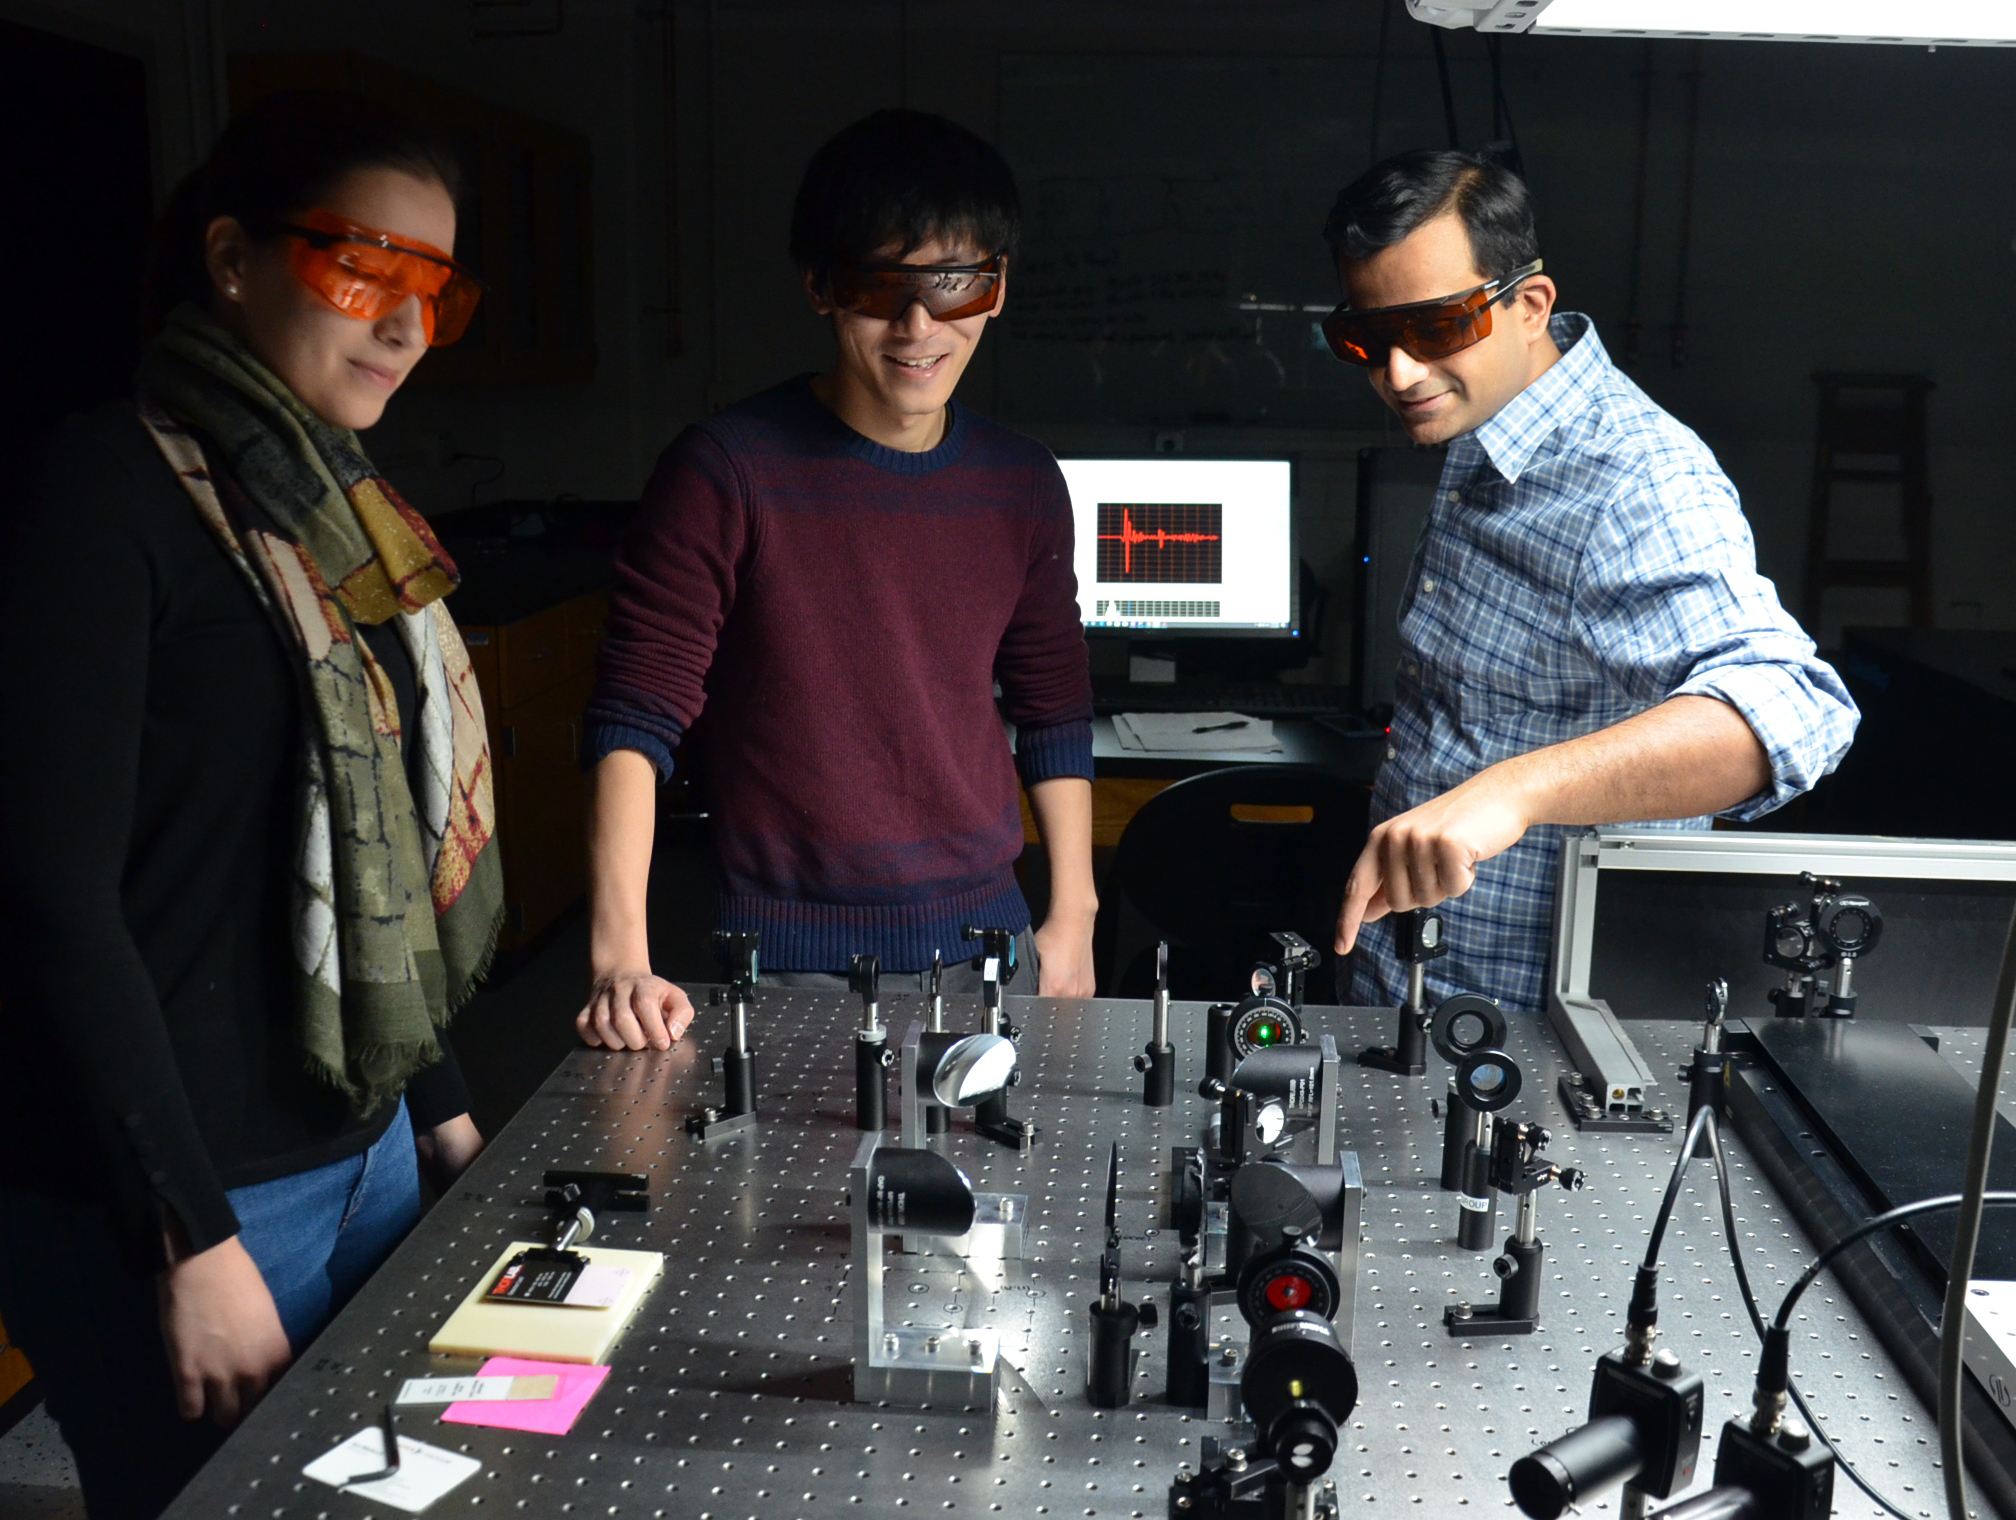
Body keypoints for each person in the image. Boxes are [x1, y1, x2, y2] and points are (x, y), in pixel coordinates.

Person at [0, 91, 502, 1520]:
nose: (406, 326)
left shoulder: (335, 507)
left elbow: (379, 855)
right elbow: (50, 895)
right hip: (186, 1197)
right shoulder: (97, 491)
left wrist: (445, 1114)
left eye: (436, 289)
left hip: (368, 1153)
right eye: (365, 269)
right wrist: (191, 1239)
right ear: (232, 258)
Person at [576, 108, 1096, 1050]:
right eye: (875, 287)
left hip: (992, 946)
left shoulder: (1022, 482)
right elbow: (635, 716)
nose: (917, 326)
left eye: (953, 287)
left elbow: (1052, 707)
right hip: (785, 959)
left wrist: (1073, 917)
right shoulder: (724, 471)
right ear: (819, 285)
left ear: (998, 287)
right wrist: (622, 956)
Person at [1321, 150, 1858, 1012]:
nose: (1400, 374)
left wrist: (1515, 790)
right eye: (1369, 340)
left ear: (1530, 305)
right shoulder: (1484, 420)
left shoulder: (1635, 479)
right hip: (1413, 982)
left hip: (1527, 1036)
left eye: (1436, 330)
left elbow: (1789, 710)